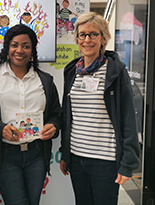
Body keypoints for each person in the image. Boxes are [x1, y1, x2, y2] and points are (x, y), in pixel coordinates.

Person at [0, 24, 62, 205]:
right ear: (7, 47)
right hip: (6, 156)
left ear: (32, 50)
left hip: (36, 155)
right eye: (14, 45)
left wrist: (53, 126)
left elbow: (56, 114)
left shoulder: (45, 80)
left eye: (26, 46)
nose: (20, 50)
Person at [59, 12, 140, 205]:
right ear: (77, 38)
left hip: (105, 161)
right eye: (82, 35)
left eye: (93, 34)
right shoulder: (71, 71)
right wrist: (66, 152)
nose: (87, 40)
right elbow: (68, 116)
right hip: (77, 158)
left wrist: (127, 163)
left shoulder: (115, 72)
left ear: (103, 38)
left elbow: (128, 118)